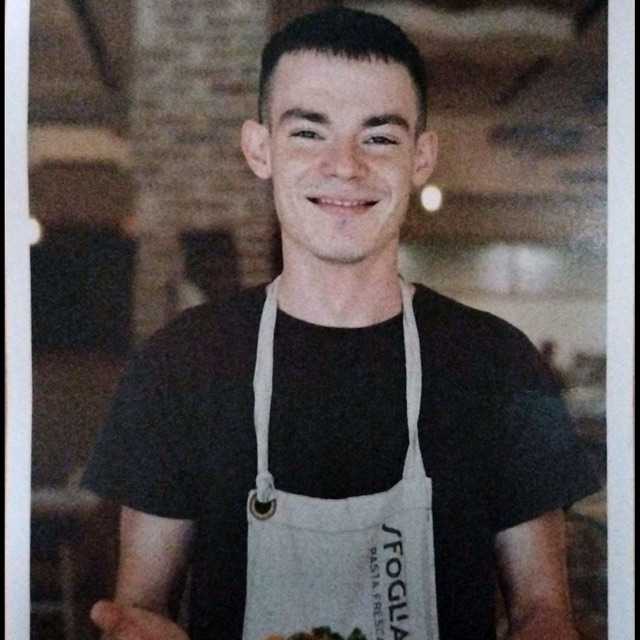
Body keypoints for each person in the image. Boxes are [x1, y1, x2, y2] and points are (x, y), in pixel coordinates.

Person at [83, 7, 599, 640]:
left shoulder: (501, 364)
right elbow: (141, 610)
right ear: (260, 149)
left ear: (421, 157)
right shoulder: (178, 366)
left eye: (379, 137)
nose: (346, 166)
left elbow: (544, 614)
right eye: (309, 132)